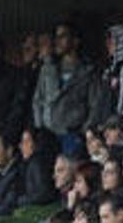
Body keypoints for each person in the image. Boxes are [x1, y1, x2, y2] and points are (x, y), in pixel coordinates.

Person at [33, 22, 105, 156]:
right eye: (56, 37)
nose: (57, 41)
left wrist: (83, 131)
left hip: (72, 136)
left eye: (63, 36)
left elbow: (95, 105)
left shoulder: (88, 71)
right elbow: (38, 100)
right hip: (47, 135)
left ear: (75, 41)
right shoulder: (48, 68)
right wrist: (39, 128)